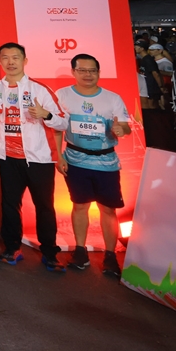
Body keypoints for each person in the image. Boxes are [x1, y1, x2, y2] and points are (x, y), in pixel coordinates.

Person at [0, 42, 68, 272]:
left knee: (45, 206)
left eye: (15, 57)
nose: (10, 62)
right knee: (9, 205)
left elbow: (63, 122)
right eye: (5, 57)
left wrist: (46, 114)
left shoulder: (39, 90)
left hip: (39, 159)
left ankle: (50, 252)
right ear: (0, 61)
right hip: (7, 158)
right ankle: (12, 247)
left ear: (25, 60)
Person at [55, 54, 130, 279]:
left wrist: (121, 129)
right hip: (75, 160)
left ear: (98, 72)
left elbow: (125, 126)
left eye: (92, 70)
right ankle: (80, 250)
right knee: (79, 205)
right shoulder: (62, 95)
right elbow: (57, 128)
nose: (88, 74)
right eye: (82, 70)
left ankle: (110, 255)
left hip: (106, 162)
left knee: (108, 209)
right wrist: (58, 156)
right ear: (73, 72)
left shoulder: (112, 98)